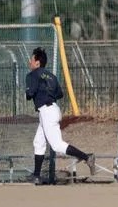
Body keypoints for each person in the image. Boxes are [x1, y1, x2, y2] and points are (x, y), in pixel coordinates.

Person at [24, 47, 93, 184]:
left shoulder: (32, 75)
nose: (29, 62)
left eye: (32, 59)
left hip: (46, 112)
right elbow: (59, 94)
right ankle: (36, 175)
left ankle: (87, 157)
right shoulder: (51, 76)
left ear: (37, 63)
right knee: (38, 142)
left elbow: (29, 95)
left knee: (56, 145)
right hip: (53, 109)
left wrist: (34, 90)